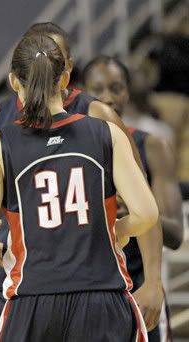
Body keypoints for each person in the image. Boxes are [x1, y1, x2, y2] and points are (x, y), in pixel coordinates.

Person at [0, 33, 158, 341]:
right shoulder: (106, 133)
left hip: (32, 301)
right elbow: (146, 214)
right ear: (65, 78)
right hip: (103, 298)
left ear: (14, 82)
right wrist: (120, 230)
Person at [83, 55, 184, 341]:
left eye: (116, 88)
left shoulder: (152, 146)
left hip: (139, 285)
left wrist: (136, 213)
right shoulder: (68, 148)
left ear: (128, 92)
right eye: (98, 89)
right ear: (80, 92)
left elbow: (175, 234)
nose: (108, 97)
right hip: (88, 290)